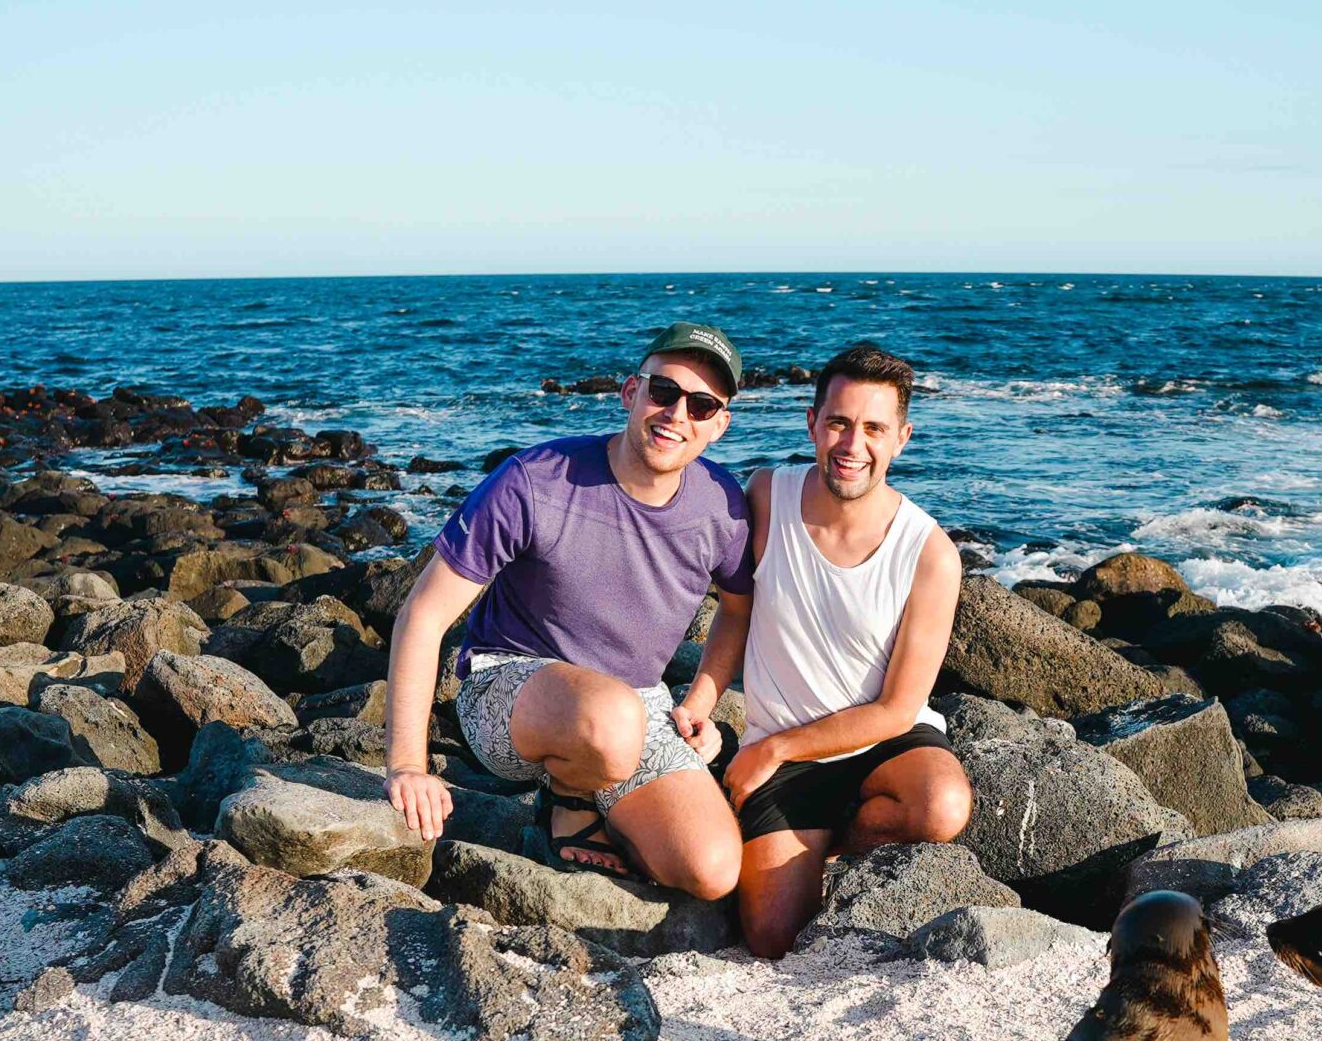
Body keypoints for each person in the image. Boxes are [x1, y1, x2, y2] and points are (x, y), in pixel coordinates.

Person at [381, 321, 752, 900]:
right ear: (631, 393)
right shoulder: (535, 480)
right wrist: (408, 764)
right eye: (664, 391)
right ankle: (570, 800)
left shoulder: (722, 507)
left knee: (711, 871)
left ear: (719, 425)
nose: (677, 413)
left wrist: (700, 701)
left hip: (637, 705)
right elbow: (423, 616)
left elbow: (738, 607)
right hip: (508, 688)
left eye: (702, 405)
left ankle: (608, 798)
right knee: (611, 719)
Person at [729, 341, 974, 957]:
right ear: (812, 422)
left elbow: (897, 709)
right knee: (771, 942)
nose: (851, 444)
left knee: (941, 806)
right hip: (785, 757)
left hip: (883, 744)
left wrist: (772, 750)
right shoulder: (764, 497)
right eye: (838, 422)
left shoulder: (929, 553)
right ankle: (807, 840)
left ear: (901, 438)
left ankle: (835, 837)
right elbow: (714, 600)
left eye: (873, 428)